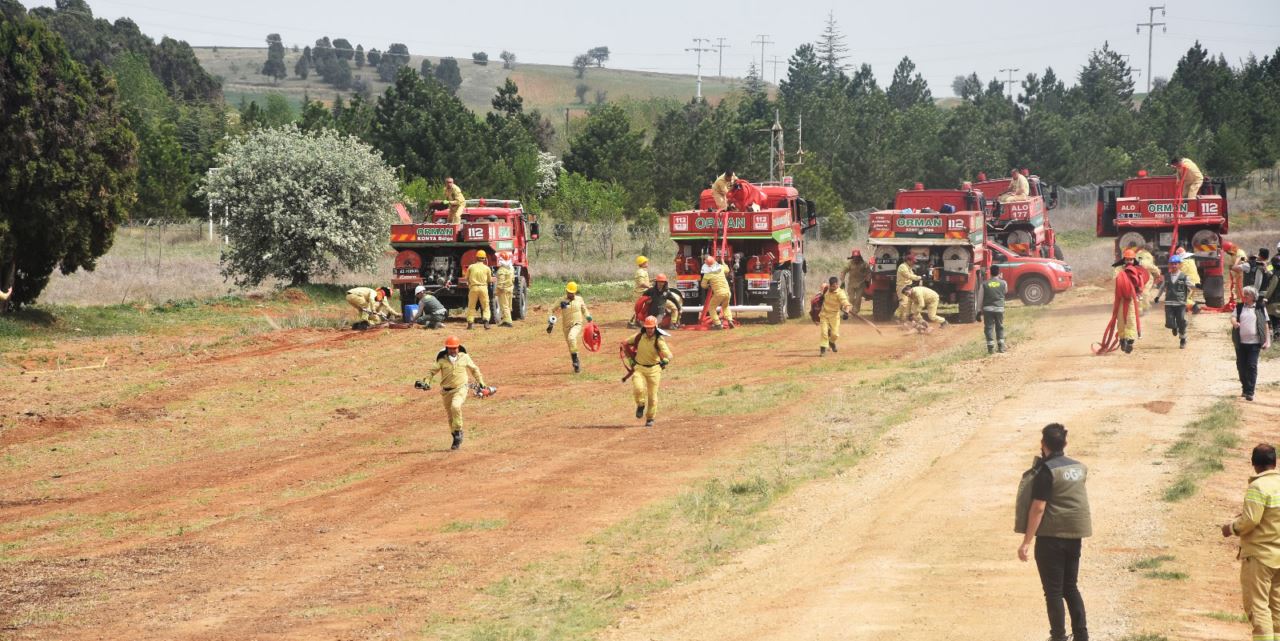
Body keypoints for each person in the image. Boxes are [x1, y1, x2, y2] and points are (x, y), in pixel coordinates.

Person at [1016, 423, 1091, 641]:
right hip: (1074, 536)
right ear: (1065, 443)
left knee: (1054, 592)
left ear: (1043, 444)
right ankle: (1081, 635)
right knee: (1071, 587)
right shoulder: (1079, 468)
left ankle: (1058, 637)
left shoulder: (1046, 471)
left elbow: (1038, 507)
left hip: (1050, 539)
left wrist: (1026, 542)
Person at [1222, 444, 1280, 641]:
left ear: (1254, 464)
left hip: (1260, 557)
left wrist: (1231, 528)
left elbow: (1251, 520)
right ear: (1275, 462)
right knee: (1276, 607)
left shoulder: (1257, 487)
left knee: (1258, 607)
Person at [418, 336, 486, 451]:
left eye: (455, 348)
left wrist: (481, 382)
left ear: (458, 348)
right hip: (446, 392)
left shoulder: (465, 357)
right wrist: (426, 382)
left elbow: (474, 369)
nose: (453, 350)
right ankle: (455, 436)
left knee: (456, 406)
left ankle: (458, 430)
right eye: (450, 348)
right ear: (446, 348)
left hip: (461, 389)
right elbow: (431, 372)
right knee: (450, 418)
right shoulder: (442, 360)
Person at [626, 316, 672, 427]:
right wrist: (630, 360)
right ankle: (640, 404)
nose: (649, 330)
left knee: (652, 396)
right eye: (647, 328)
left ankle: (650, 418)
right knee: (638, 388)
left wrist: (665, 360)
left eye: (651, 328)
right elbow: (625, 343)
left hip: (654, 370)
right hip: (639, 368)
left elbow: (669, 354)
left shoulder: (659, 339)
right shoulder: (639, 336)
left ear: (655, 327)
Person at [1232, 286, 1272, 401]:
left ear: (1253, 296)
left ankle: (1250, 391)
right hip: (1241, 343)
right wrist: (1235, 323)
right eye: (1244, 294)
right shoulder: (1239, 307)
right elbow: (1233, 317)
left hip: (1254, 343)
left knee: (1251, 365)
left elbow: (1265, 325)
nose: (1244, 297)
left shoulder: (1260, 307)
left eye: (1247, 295)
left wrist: (1267, 341)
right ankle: (1245, 388)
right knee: (1241, 366)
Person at [1113, 248, 1148, 354]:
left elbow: (1140, 284)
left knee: (1131, 319)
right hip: (1120, 299)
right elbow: (1116, 281)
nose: (1129, 262)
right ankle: (1122, 339)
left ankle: (1130, 340)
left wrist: (1138, 292)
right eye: (1127, 260)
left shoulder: (1138, 271)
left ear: (1134, 260)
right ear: (1124, 260)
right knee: (1121, 320)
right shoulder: (1118, 270)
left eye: (1131, 260)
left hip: (1131, 299)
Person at [1154, 254, 1193, 349]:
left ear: (1179, 265)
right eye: (1172, 264)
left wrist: (1188, 297)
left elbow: (1190, 288)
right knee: (1169, 323)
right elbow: (1162, 287)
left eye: (1176, 264)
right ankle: (1174, 327)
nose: (1174, 266)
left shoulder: (1184, 277)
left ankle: (1183, 339)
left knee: (1181, 321)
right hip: (1169, 303)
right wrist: (1157, 297)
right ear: (1169, 265)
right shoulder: (1167, 277)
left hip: (1180, 304)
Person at [554, 281, 592, 373]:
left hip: (577, 324)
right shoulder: (562, 300)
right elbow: (552, 309)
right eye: (568, 292)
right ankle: (576, 363)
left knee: (571, 338)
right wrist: (551, 319)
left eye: (571, 292)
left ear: (575, 292)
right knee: (571, 345)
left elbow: (584, 309)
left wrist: (588, 316)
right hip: (566, 326)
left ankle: (575, 361)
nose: (569, 294)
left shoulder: (579, 299)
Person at [817, 276, 853, 357]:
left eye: (836, 285)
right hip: (824, 314)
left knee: (835, 334)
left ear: (838, 284)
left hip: (834, 316)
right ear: (830, 285)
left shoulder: (840, 293)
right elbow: (819, 295)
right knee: (824, 332)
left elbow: (846, 304)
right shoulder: (826, 289)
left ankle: (832, 342)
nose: (835, 287)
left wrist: (846, 313)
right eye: (833, 286)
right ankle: (823, 349)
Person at [700, 255, 734, 329]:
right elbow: (727, 270)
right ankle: (730, 320)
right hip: (728, 292)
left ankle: (717, 324)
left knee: (711, 308)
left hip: (719, 293)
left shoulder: (707, 273)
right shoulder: (721, 267)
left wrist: (709, 286)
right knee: (725, 306)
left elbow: (703, 285)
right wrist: (723, 262)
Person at [982, 265, 1008, 354]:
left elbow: (980, 297)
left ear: (990, 273)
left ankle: (991, 348)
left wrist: (978, 311)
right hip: (999, 309)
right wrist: (1001, 279)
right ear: (999, 272)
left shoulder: (984, 283)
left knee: (989, 327)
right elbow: (1005, 292)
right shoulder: (1003, 283)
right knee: (999, 327)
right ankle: (1001, 347)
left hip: (987, 309)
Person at [464, 250, 492, 330]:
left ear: (476, 258)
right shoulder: (487, 268)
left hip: (473, 288)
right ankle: (486, 322)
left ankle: (470, 324)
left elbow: (467, 278)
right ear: (484, 258)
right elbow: (489, 280)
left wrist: (470, 284)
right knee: (485, 306)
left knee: (471, 306)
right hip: (483, 288)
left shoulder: (471, 267)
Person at [840, 249, 871, 316]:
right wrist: (842, 280)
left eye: (857, 257)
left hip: (861, 284)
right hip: (851, 284)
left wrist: (867, 280)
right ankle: (851, 308)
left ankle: (855, 311)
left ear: (859, 257)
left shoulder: (864, 264)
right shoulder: (849, 264)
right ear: (853, 257)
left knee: (858, 298)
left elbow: (868, 272)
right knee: (851, 298)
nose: (856, 259)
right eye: (854, 257)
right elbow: (843, 272)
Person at [895, 254, 923, 322]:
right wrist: (918, 278)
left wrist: (919, 277)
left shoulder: (909, 267)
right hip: (902, 287)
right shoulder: (902, 267)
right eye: (912, 261)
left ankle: (903, 319)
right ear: (908, 261)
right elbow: (908, 276)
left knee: (908, 304)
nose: (914, 263)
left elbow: (912, 274)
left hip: (908, 287)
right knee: (904, 303)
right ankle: (896, 315)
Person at [1135, 243, 1161, 311]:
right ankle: (1145, 307)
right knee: (1145, 292)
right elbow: (1146, 265)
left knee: (1139, 292)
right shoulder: (1148, 255)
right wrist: (1157, 272)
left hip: (1137, 276)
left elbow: (1139, 263)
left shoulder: (1138, 253)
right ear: (1150, 250)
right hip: (1145, 276)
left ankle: (1139, 308)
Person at [494, 251, 516, 328]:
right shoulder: (511, 268)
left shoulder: (501, 270)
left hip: (504, 290)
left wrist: (496, 292)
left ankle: (508, 322)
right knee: (509, 305)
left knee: (504, 306)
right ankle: (506, 319)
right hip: (510, 289)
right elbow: (513, 279)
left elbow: (500, 283)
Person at [630, 255, 651, 328]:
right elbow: (641, 283)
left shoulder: (643, 271)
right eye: (646, 262)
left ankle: (637, 321)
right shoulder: (640, 272)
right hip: (640, 293)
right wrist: (650, 287)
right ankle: (631, 323)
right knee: (638, 308)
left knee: (641, 309)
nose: (647, 263)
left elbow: (643, 281)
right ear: (642, 263)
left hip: (643, 292)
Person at [1227, 241, 1250, 306]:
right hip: (1238, 272)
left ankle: (1243, 301)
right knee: (1237, 288)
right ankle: (1239, 301)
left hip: (1243, 272)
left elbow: (1240, 259)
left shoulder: (1240, 253)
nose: (1229, 253)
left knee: (1241, 287)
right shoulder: (1233, 254)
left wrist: (1235, 265)